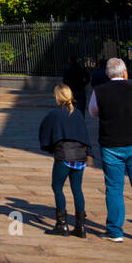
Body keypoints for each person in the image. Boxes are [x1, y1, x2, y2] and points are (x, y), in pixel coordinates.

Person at [89, 58, 132, 244]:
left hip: (111, 144)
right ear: (125, 73)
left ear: (108, 74)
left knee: (114, 188)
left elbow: (93, 112)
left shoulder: (99, 91)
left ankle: (115, 231)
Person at [39, 84, 91, 238]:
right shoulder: (78, 113)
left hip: (64, 154)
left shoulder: (54, 114)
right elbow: (85, 135)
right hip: (80, 155)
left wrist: (49, 148)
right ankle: (81, 226)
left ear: (58, 97)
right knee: (77, 189)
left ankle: (62, 224)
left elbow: (44, 132)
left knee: (57, 187)